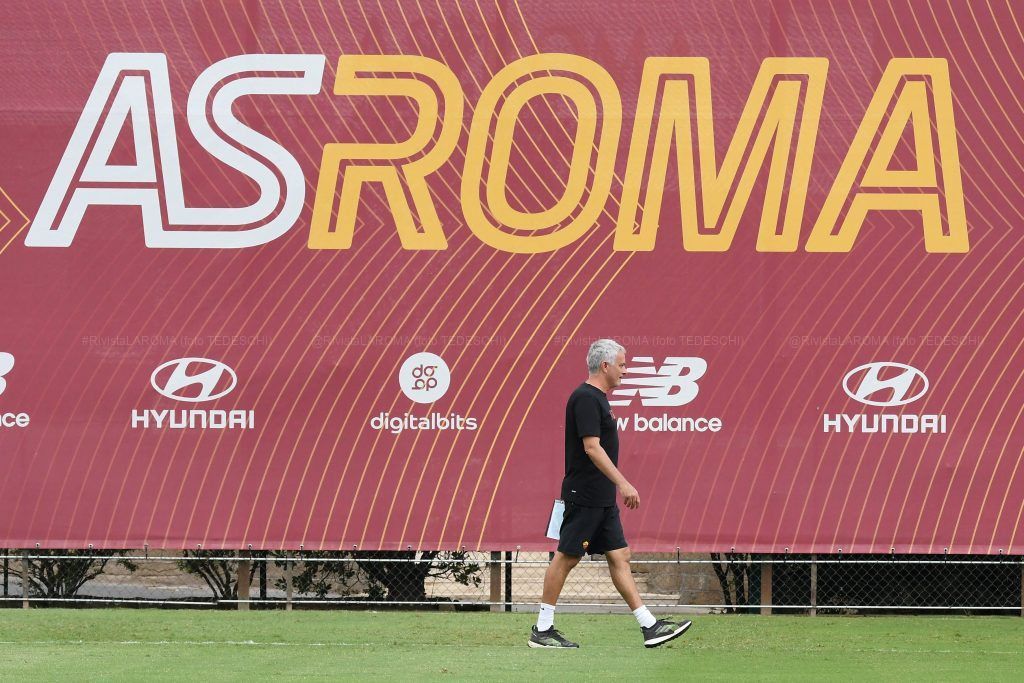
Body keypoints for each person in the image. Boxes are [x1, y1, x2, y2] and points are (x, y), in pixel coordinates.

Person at [529, 339, 692, 649]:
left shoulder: (600, 399)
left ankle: (650, 626)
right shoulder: (585, 398)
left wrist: (614, 488)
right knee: (567, 557)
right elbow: (592, 447)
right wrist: (624, 483)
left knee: (620, 555)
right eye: (622, 365)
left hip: (602, 498)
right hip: (585, 494)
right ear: (605, 366)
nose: (625, 371)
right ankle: (542, 629)